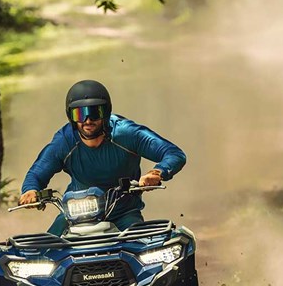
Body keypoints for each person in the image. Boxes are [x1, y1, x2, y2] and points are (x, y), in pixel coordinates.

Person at [18, 79, 187, 235]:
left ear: (106, 113)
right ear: (70, 116)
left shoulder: (126, 133)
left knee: (144, 250)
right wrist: (30, 190)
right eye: (80, 114)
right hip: (75, 216)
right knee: (45, 254)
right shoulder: (64, 141)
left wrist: (157, 173)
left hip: (124, 213)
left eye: (94, 112)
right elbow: (36, 174)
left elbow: (174, 154)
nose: (87, 120)